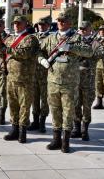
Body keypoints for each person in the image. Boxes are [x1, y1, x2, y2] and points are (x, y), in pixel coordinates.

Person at [38, 12, 92, 153]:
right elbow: (38, 51)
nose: (61, 22)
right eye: (59, 20)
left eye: (64, 20)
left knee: (68, 111)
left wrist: (71, 48)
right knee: (55, 110)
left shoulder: (76, 37)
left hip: (70, 82)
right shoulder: (51, 38)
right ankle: (56, 139)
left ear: (70, 23)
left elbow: (89, 51)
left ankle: (66, 141)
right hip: (53, 80)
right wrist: (41, 60)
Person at [3, 15, 39, 143]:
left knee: (24, 106)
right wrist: (3, 65)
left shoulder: (30, 39)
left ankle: (23, 131)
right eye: (15, 23)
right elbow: (4, 56)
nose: (16, 25)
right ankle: (14, 129)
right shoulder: (10, 39)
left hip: (25, 79)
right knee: (13, 104)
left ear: (25, 24)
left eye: (19, 23)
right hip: (11, 77)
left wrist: (7, 49)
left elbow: (25, 53)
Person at [71, 21, 104, 141]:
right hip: (75, 78)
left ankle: (84, 130)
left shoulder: (95, 42)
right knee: (76, 104)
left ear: (90, 29)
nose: (82, 30)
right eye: (81, 28)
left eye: (85, 28)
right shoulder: (74, 41)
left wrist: (90, 54)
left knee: (87, 106)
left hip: (89, 79)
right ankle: (76, 128)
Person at [28, 16, 52, 133]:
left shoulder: (51, 37)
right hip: (33, 72)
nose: (41, 26)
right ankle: (35, 121)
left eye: (43, 24)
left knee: (44, 98)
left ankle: (42, 122)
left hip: (45, 73)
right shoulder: (33, 37)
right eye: (39, 24)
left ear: (48, 26)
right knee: (34, 97)